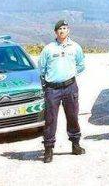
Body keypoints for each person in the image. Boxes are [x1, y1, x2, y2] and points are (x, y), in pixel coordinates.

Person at [37, 20, 86, 162]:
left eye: (64, 28)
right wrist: (48, 83)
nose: (62, 31)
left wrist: (70, 74)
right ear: (55, 32)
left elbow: (81, 65)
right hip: (52, 89)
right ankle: (48, 149)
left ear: (68, 30)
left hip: (70, 87)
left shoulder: (75, 47)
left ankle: (75, 145)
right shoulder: (48, 49)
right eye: (59, 29)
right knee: (50, 119)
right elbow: (41, 69)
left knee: (73, 116)